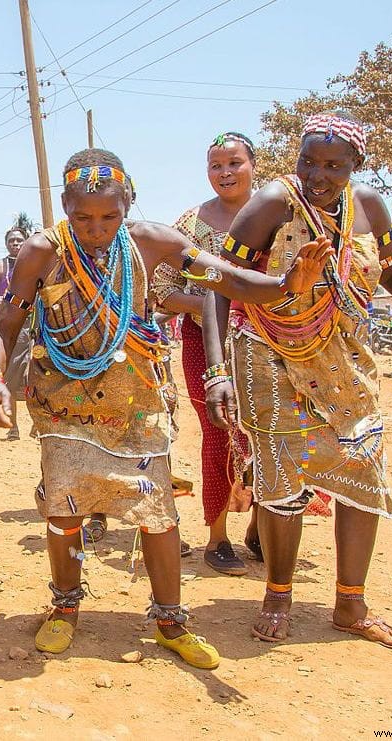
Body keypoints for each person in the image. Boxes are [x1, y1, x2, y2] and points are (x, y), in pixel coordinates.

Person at [0, 147, 334, 668]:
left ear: (128, 204)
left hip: (139, 402)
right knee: (65, 508)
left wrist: (283, 285)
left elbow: (226, 279)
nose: (96, 228)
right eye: (82, 217)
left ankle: (170, 619)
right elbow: (6, 322)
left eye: (109, 216)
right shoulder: (41, 251)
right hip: (63, 404)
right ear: (63, 205)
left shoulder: (153, 243)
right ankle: (64, 608)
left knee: (156, 511)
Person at [203, 112, 392, 650]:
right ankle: (277, 596)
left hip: (346, 358)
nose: (318, 174)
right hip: (270, 356)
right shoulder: (271, 205)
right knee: (282, 480)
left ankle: (351, 603)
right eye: (309, 161)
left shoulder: (369, 209)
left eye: (333, 165)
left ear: (357, 165)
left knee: (362, 468)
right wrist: (217, 372)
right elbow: (219, 282)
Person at [151, 132, 257, 575]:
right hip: (204, 347)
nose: (225, 173)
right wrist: (216, 306)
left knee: (270, 436)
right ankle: (218, 538)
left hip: (271, 346)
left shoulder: (277, 215)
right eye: (216, 166)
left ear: (254, 165)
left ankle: (261, 531)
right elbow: (161, 291)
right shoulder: (190, 224)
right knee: (219, 434)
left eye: (234, 163)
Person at [0, 225, 33, 441]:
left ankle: (39, 424)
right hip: (9, 325)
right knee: (11, 376)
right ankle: (13, 426)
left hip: (33, 325)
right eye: (12, 240)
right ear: (6, 244)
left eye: (19, 240)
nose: (15, 243)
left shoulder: (33, 264)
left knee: (37, 374)